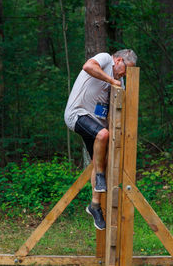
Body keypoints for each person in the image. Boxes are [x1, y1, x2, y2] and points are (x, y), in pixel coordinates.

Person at [64, 49, 137, 230]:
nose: (124, 74)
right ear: (119, 60)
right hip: (78, 114)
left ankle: (94, 205)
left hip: (96, 123)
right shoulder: (105, 59)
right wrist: (111, 80)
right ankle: (99, 176)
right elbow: (88, 66)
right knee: (102, 134)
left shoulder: (121, 83)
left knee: (102, 160)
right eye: (125, 69)